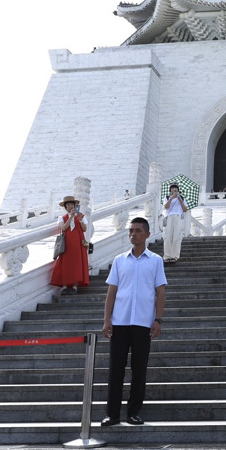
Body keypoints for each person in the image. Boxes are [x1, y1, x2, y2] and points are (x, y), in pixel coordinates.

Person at [100, 217, 167, 427]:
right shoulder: (120, 260)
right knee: (116, 368)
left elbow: (160, 292)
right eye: (131, 231)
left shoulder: (156, 260)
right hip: (120, 322)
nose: (133, 234)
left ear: (147, 234)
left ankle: (134, 412)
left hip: (143, 322)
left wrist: (158, 319)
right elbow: (111, 292)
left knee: (139, 369)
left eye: (138, 231)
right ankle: (112, 414)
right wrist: (107, 320)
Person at [50, 195, 89, 295]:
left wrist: (79, 220)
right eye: (68, 205)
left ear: (75, 206)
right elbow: (63, 228)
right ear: (65, 207)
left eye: (72, 204)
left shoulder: (81, 216)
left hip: (78, 243)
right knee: (65, 264)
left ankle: (75, 286)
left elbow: (84, 229)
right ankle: (65, 286)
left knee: (77, 264)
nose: (71, 206)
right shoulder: (62, 218)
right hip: (67, 244)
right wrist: (71, 217)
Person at [162, 183, 189, 263]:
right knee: (167, 237)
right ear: (170, 190)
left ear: (178, 190)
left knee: (177, 237)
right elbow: (166, 206)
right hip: (169, 217)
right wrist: (171, 198)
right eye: (173, 188)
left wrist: (181, 201)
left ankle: (175, 256)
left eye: (175, 188)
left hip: (178, 217)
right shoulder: (167, 197)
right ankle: (167, 256)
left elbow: (185, 209)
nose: (174, 189)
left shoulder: (182, 198)